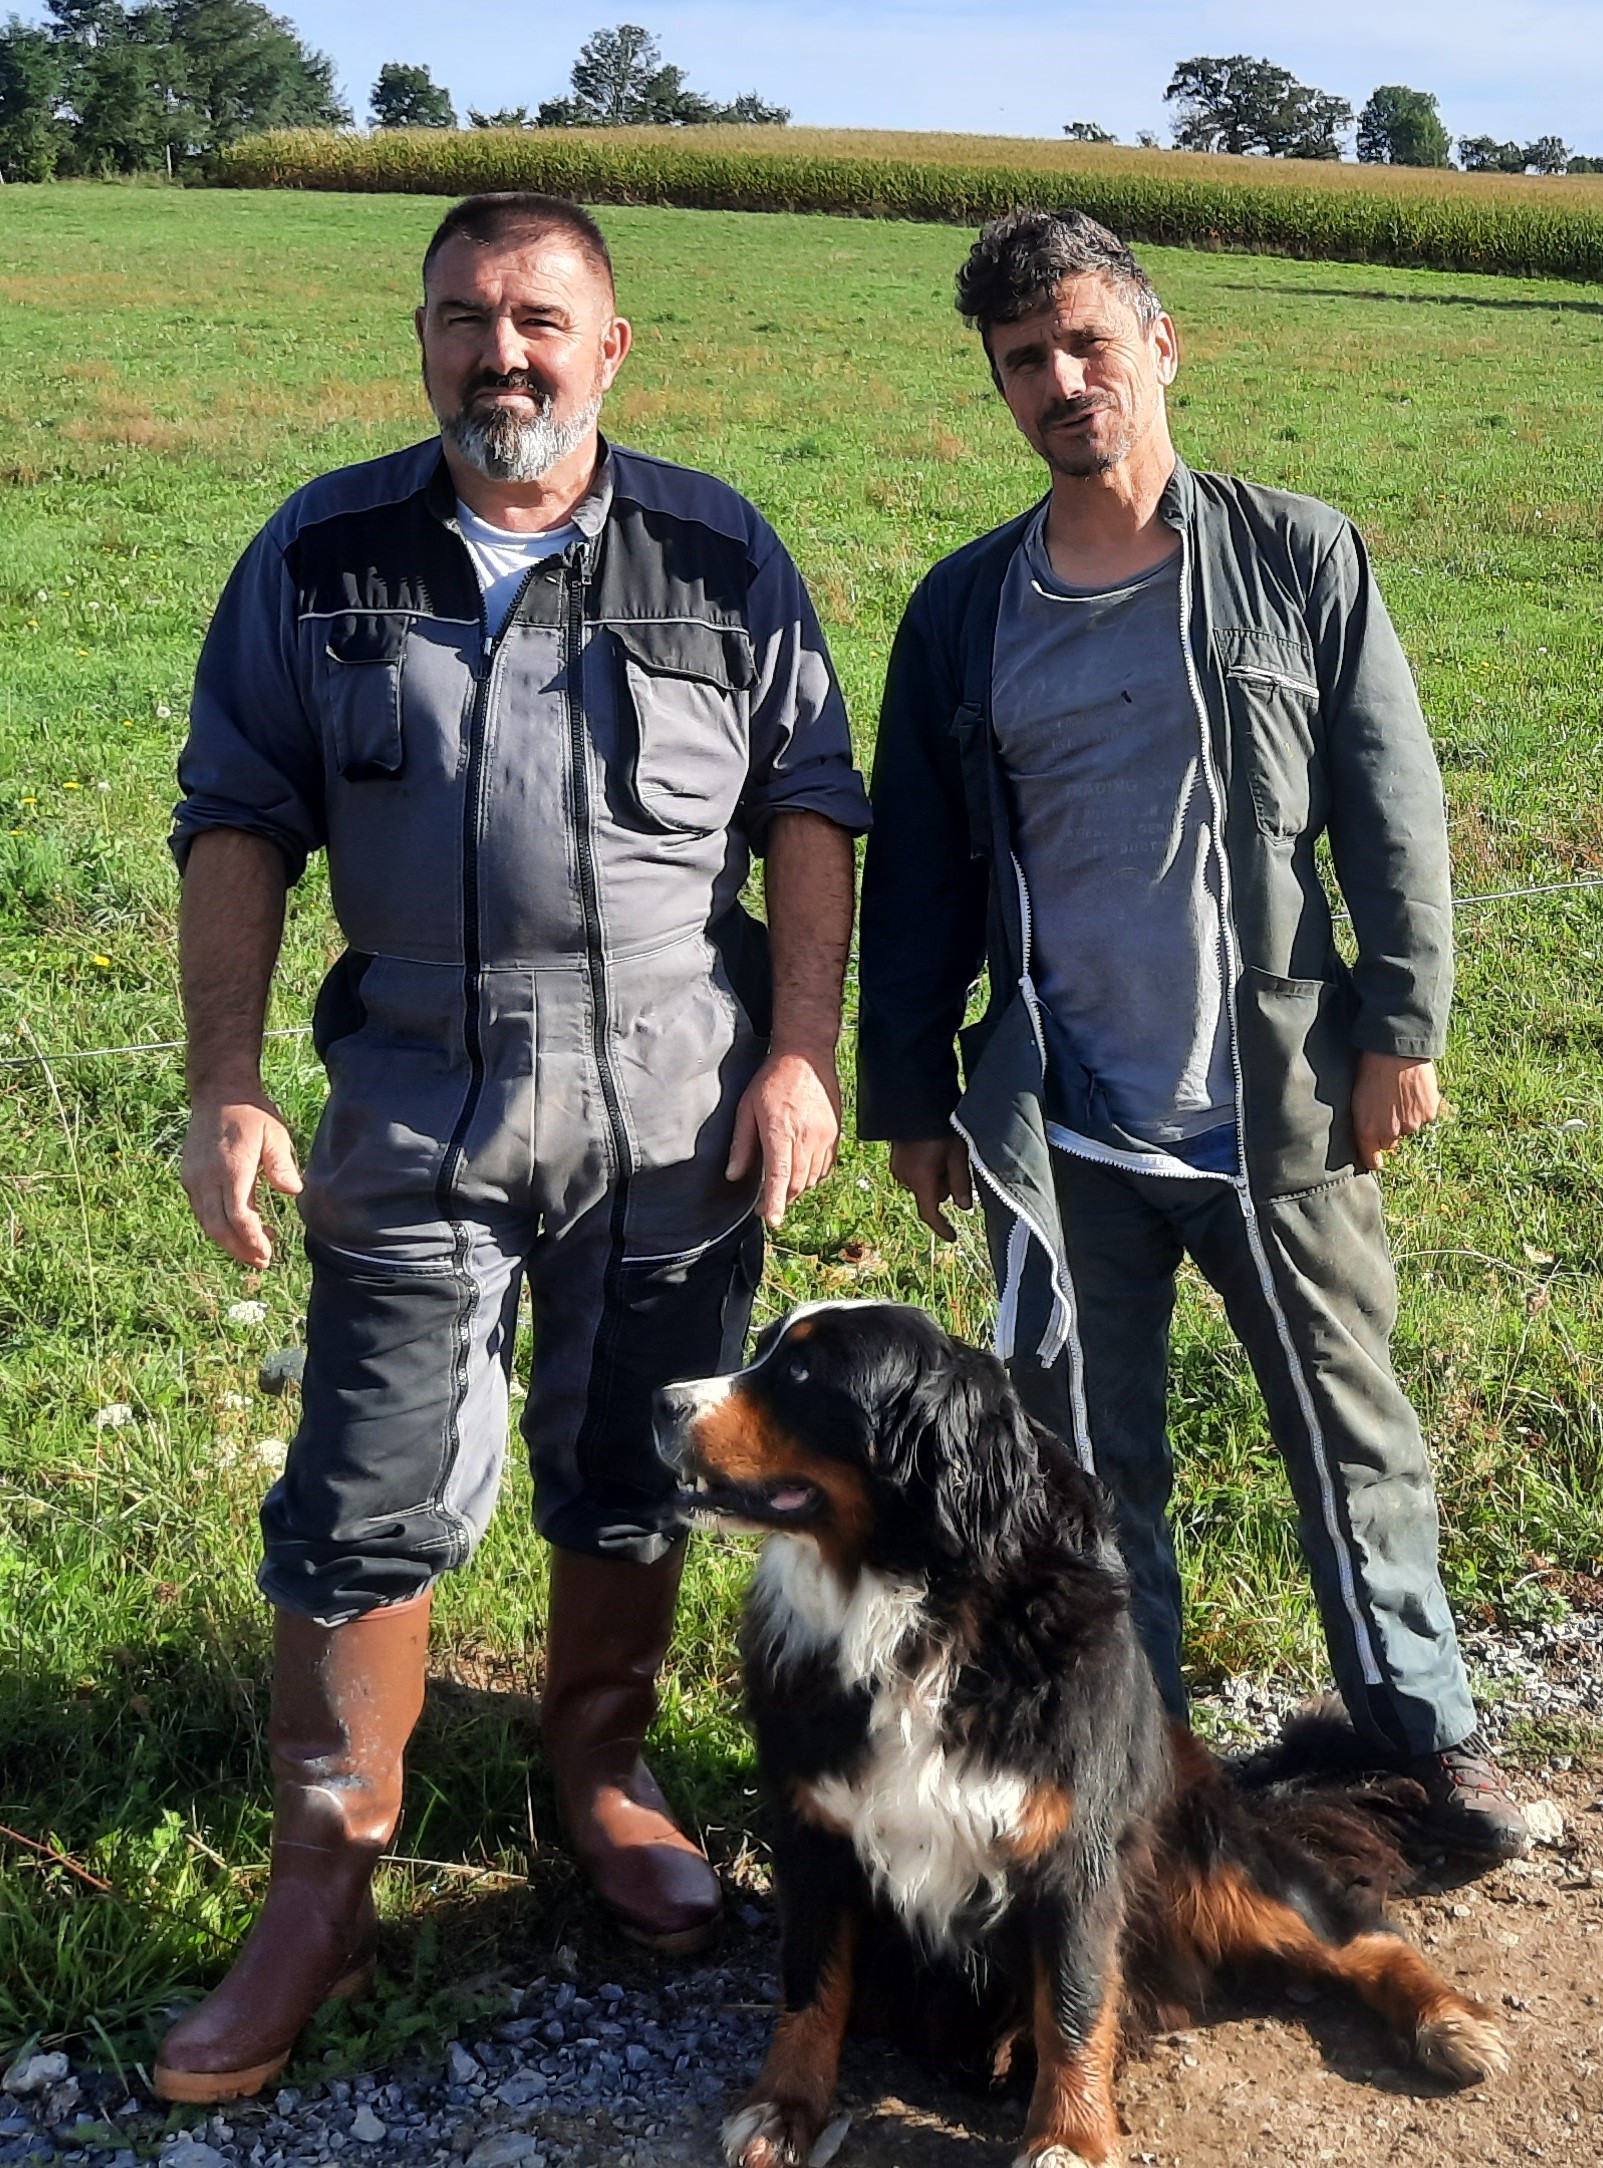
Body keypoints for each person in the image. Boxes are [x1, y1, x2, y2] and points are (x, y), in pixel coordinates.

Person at [157, 191, 869, 2103]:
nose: (506, 355)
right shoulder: (321, 554)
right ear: (423, 342)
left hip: (673, 1086)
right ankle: (327, 1871)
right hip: (411, 1078)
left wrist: (800, 1053)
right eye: (466, 317)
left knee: (647, 1443)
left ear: (612, 345)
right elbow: (235, 819)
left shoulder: (719, 555)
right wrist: (228, 1082)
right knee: (369, 1466)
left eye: (544, 318)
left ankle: (604, 1769)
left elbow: (810, 800)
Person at [858, 206, 1526, 1863]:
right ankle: (1136, 1785)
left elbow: (1393, 811)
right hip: (1059, 1126)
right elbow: (924, 876)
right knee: (1086, 1480)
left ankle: (1419, 1741)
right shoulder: (962, 612)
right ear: (1001, 389)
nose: (1063, 380)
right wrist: (914, 1095)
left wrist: (1403, 1022)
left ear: (1160, 345)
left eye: (1089, 343)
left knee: (1348, 1430)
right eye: (1027, 361)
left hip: (1277, 1096)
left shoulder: (1297, 555)